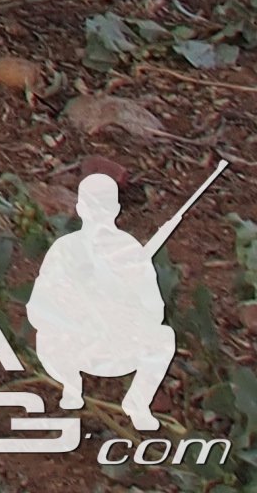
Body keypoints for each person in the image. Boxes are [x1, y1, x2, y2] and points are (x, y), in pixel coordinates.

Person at [27, 171, 179, 430]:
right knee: (45, 337)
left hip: (116, 346)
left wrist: (127, 301)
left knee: (164, 338)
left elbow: (155, 310)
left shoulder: (129, 251)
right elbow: (38, 308)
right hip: (73, 344)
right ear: (82, 208)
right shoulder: (65, 250)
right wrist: (78, 312)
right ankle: (71, 385)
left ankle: (137, 403)